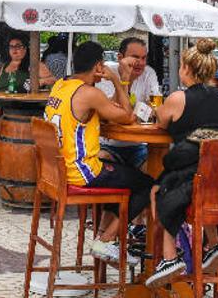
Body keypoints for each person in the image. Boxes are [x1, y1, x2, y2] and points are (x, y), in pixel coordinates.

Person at [43, 41, 153, 265]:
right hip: (82, 173)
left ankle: (106, 234)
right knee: (147, 184)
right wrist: (116, 80)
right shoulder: (89, 93)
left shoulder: (60, 86)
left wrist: (119, 84)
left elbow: (108, 108)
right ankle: (106, 239)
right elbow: (129, 117)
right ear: (98, 66)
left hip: (56, 173)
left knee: (125, 178)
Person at [146, 38, 218, 288]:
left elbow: (161, 121)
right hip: (217, 174)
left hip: (189, 171)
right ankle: (213, 244)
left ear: (186, 69)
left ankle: (170, 256)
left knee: (157, 189)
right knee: (188, 183)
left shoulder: (178, 98)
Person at [97, 37, 160, 168]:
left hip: (139, 145)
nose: (141, 63)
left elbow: (156, 107)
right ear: (120, 57)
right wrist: (125, 80)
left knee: (156, 166)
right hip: (107, 145)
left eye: (144, 58)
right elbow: (108, 113)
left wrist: (131, 114)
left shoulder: (149, 73)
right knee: (102, 160)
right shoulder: (106, 72)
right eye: (135, 57)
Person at [0, 35, 56, 122]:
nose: (14, 49)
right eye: (11, 47)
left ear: (25, 49)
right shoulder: (5, 66)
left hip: (20, 107)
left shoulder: (33, 65)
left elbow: (53, 79)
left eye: (18, 46)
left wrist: (40, 81)